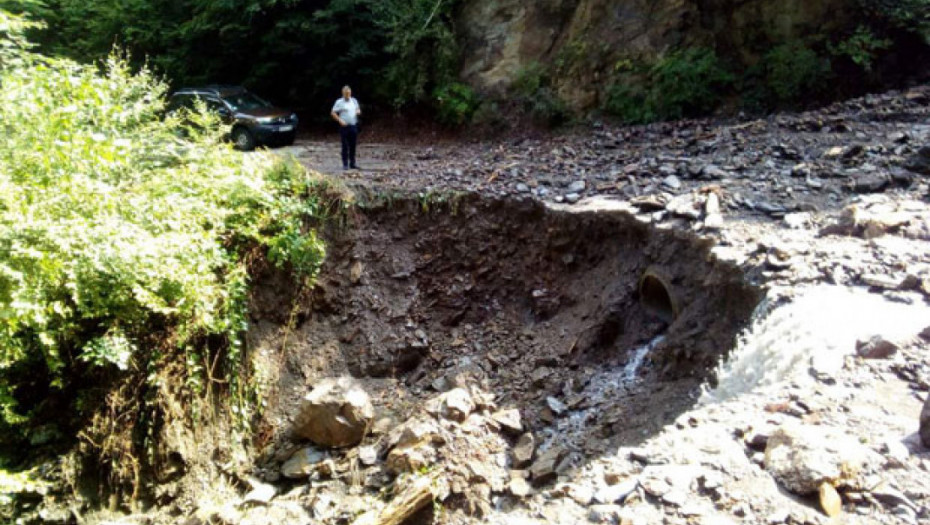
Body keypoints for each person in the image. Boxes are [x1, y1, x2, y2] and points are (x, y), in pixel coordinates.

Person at [331, 86, 362, 170]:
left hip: (353, 125)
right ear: (343, 93)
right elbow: (333, 113)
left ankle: (352, 163)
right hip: (344, 126)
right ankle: (345, 164)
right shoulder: (339, 102)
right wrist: (339, 120)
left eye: (349, 93)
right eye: (346, 93)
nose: (348, 95)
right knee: (345, 145)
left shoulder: (354, 101)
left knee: (353, 145)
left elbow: (358, 109)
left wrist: (358, 111)